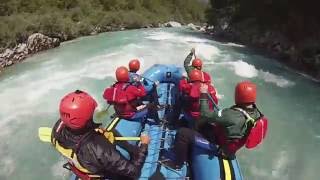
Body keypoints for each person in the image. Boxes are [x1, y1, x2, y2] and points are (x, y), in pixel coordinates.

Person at [164, 81, 268, 169]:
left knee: (183, 133)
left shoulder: (231, 115)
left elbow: (204, 113)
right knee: (202, 123)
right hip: (230, 145)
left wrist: (203, 94)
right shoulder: (256, 113)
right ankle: (191, 145)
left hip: (219, 146)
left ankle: (177, 164)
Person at [52, 90, 150, 179]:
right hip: (100, 171)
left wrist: (93, 131)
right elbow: (133, 172)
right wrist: (144, 145)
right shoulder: (99, 148)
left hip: (83, 165)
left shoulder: (58, 128)